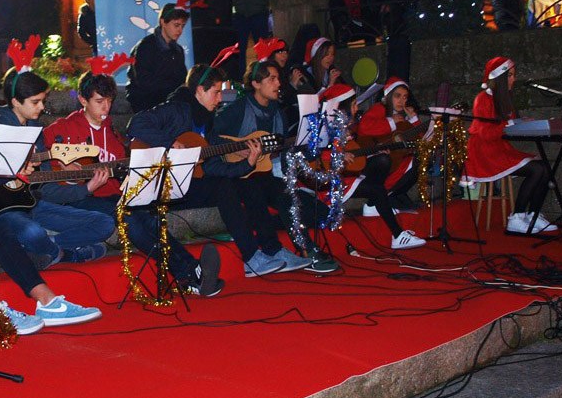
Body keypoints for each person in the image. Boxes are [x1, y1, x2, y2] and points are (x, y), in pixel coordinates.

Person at [44, 66, 224, 296]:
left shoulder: (113, 135)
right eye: (99, 101)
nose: (106, 108)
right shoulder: (64, 128)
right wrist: (65, 170)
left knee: (149, 216)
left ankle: (192, 275)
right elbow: (42, 152)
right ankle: (192, 274)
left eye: (109, 101)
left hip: (112, 195)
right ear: (82, 100)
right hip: (79, 199)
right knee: (130, 218)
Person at [128, 64, 311, 277]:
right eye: (215, 93)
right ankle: (251, 258)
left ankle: (268, 251)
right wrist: (170, 143)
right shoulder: (176, 109)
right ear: (199, 91)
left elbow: (214, 166)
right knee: (223, 187)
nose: (219, 100)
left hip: (192, 183)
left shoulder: (207, 122)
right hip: (165, 184)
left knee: (246, 181)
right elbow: (136, 124)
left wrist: (248, 163)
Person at [0, 64, 117, 268]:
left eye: (42, 101)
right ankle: (68, 255)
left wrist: (86, 189)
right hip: (0, 209)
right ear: (16, 101)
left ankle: (44, 250)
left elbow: (47, 189)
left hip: (34, 205)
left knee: (105, 223)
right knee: (32, 232)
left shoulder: (36, 132)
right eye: (36, 102)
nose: (42, 107)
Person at [213, 60, 339, 273]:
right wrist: (237, 148)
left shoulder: (278, 113)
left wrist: (304, 146)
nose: (278, 83)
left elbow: (279, 151)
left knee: (288, 195)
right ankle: (283, 250)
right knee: (257, 190)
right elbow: (212, 136)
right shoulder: (238, 110)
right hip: (235, 175)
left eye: (278, 78)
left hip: (262, 173)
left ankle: (303, 248)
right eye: (271, 78)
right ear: (255, 83)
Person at [464, 57, 557, 235]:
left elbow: (506, 126)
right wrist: (510, 125)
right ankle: (517, 217)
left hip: (498, 149)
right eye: (510, 75)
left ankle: (533, 214)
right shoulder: (482, 99)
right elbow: (485, 133)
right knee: (536, 170)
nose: (513, 79)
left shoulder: (504, 99)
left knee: (545, 167)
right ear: (500, 77)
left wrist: (520, 123)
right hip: (485, 153)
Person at [352, 77, 428, 249]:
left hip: (388, 164)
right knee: (384, 160)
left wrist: (414, 119)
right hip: (369, 163)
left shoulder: (402, 117)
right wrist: (393, 121)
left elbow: (420, 140)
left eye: (405, 97)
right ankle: (375, 204)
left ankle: (375, 204)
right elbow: (365, 128)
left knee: (418, 160)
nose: (402, 100)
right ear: (388, 96)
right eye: (398, 96)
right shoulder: (379, 109)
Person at [126, 3, 190, 112]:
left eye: (182, 26)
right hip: (145, 101)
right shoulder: (145, 47)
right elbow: (143, 82)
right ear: (163, 22)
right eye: (176, 25)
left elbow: (182, 78)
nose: (180, 30)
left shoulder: (178, 50)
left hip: (167, 100)